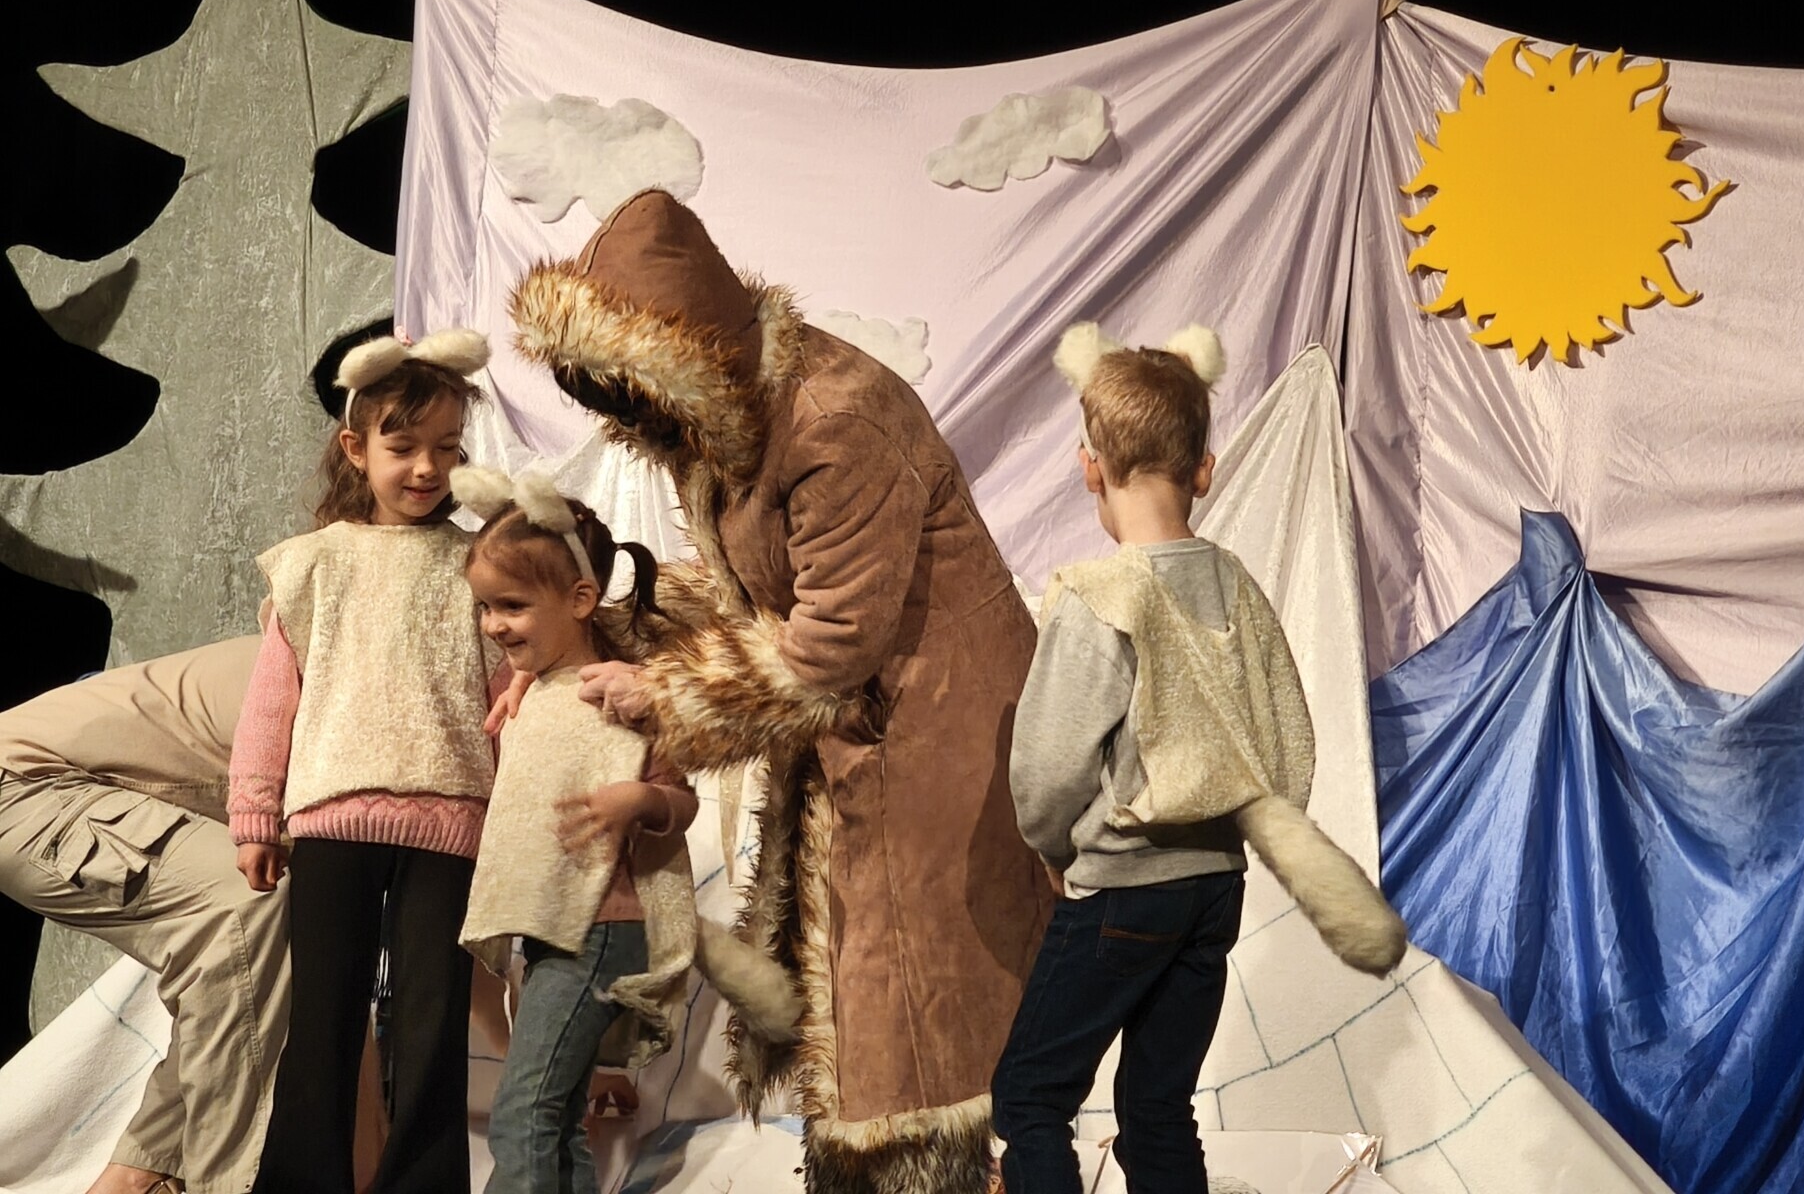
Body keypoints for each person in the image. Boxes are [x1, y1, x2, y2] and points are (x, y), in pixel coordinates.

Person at [510, 189, 1054, 1192]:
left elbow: (833, 639)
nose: (625, 418)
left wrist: (664, 693)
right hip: (864, 735)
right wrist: (589, 630)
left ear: (685, 358)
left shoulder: (834, 419)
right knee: (863, 1013)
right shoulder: (728, 425)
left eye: (628, 389)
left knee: (907, 1027)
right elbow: (755, 589)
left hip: (932, 738)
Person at [990, 322, 1406, 1194]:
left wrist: (1058, 850)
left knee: (1030, 1096)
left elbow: (1046, 771)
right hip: (1215, 889)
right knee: (1157, 1104)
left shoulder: (1098, 597)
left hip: (1123, 886)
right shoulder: (1239, 588)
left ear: (1090, 468)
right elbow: (1288, 744)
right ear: (1204, 470)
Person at [228, 328, 501, 1194]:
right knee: (322, 1021)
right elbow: (272, 701)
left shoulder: (479, 565)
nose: (427, 468)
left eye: (447, 449)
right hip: (332, 819)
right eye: (403, 445)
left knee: (430, 1024)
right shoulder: (314, 565)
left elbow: (505, 693)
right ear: (356, 446)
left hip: (450, 821)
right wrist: (254, 815)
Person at [454, 466, 701, 1192]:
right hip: (554, 928)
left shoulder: (620, 693)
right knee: (557, 1117)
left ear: (581, 600)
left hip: (599, 927)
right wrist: (523, 682)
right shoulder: (527, 689)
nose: (494, 624)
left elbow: (680, 800)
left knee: (523, 1111)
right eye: (485, 607)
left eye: (513, 606)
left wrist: (638, 799)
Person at [0, 635, 284, 1194]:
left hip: (55, 776)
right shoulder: (383, 682)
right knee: (246, 906)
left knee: (280, 937)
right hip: (24, 786)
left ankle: (142, 1176)